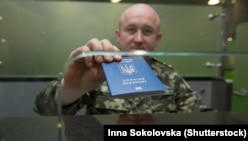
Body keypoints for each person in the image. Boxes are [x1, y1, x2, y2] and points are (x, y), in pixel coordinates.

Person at [33, 3, 211, 116]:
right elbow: (43, 110)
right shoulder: (97, 69)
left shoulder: (170, 76)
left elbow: (203, 119)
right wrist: (70, 89)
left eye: (147, 31)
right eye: (131, 29)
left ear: (157, 39)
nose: (139, 38)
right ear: (118, 35)